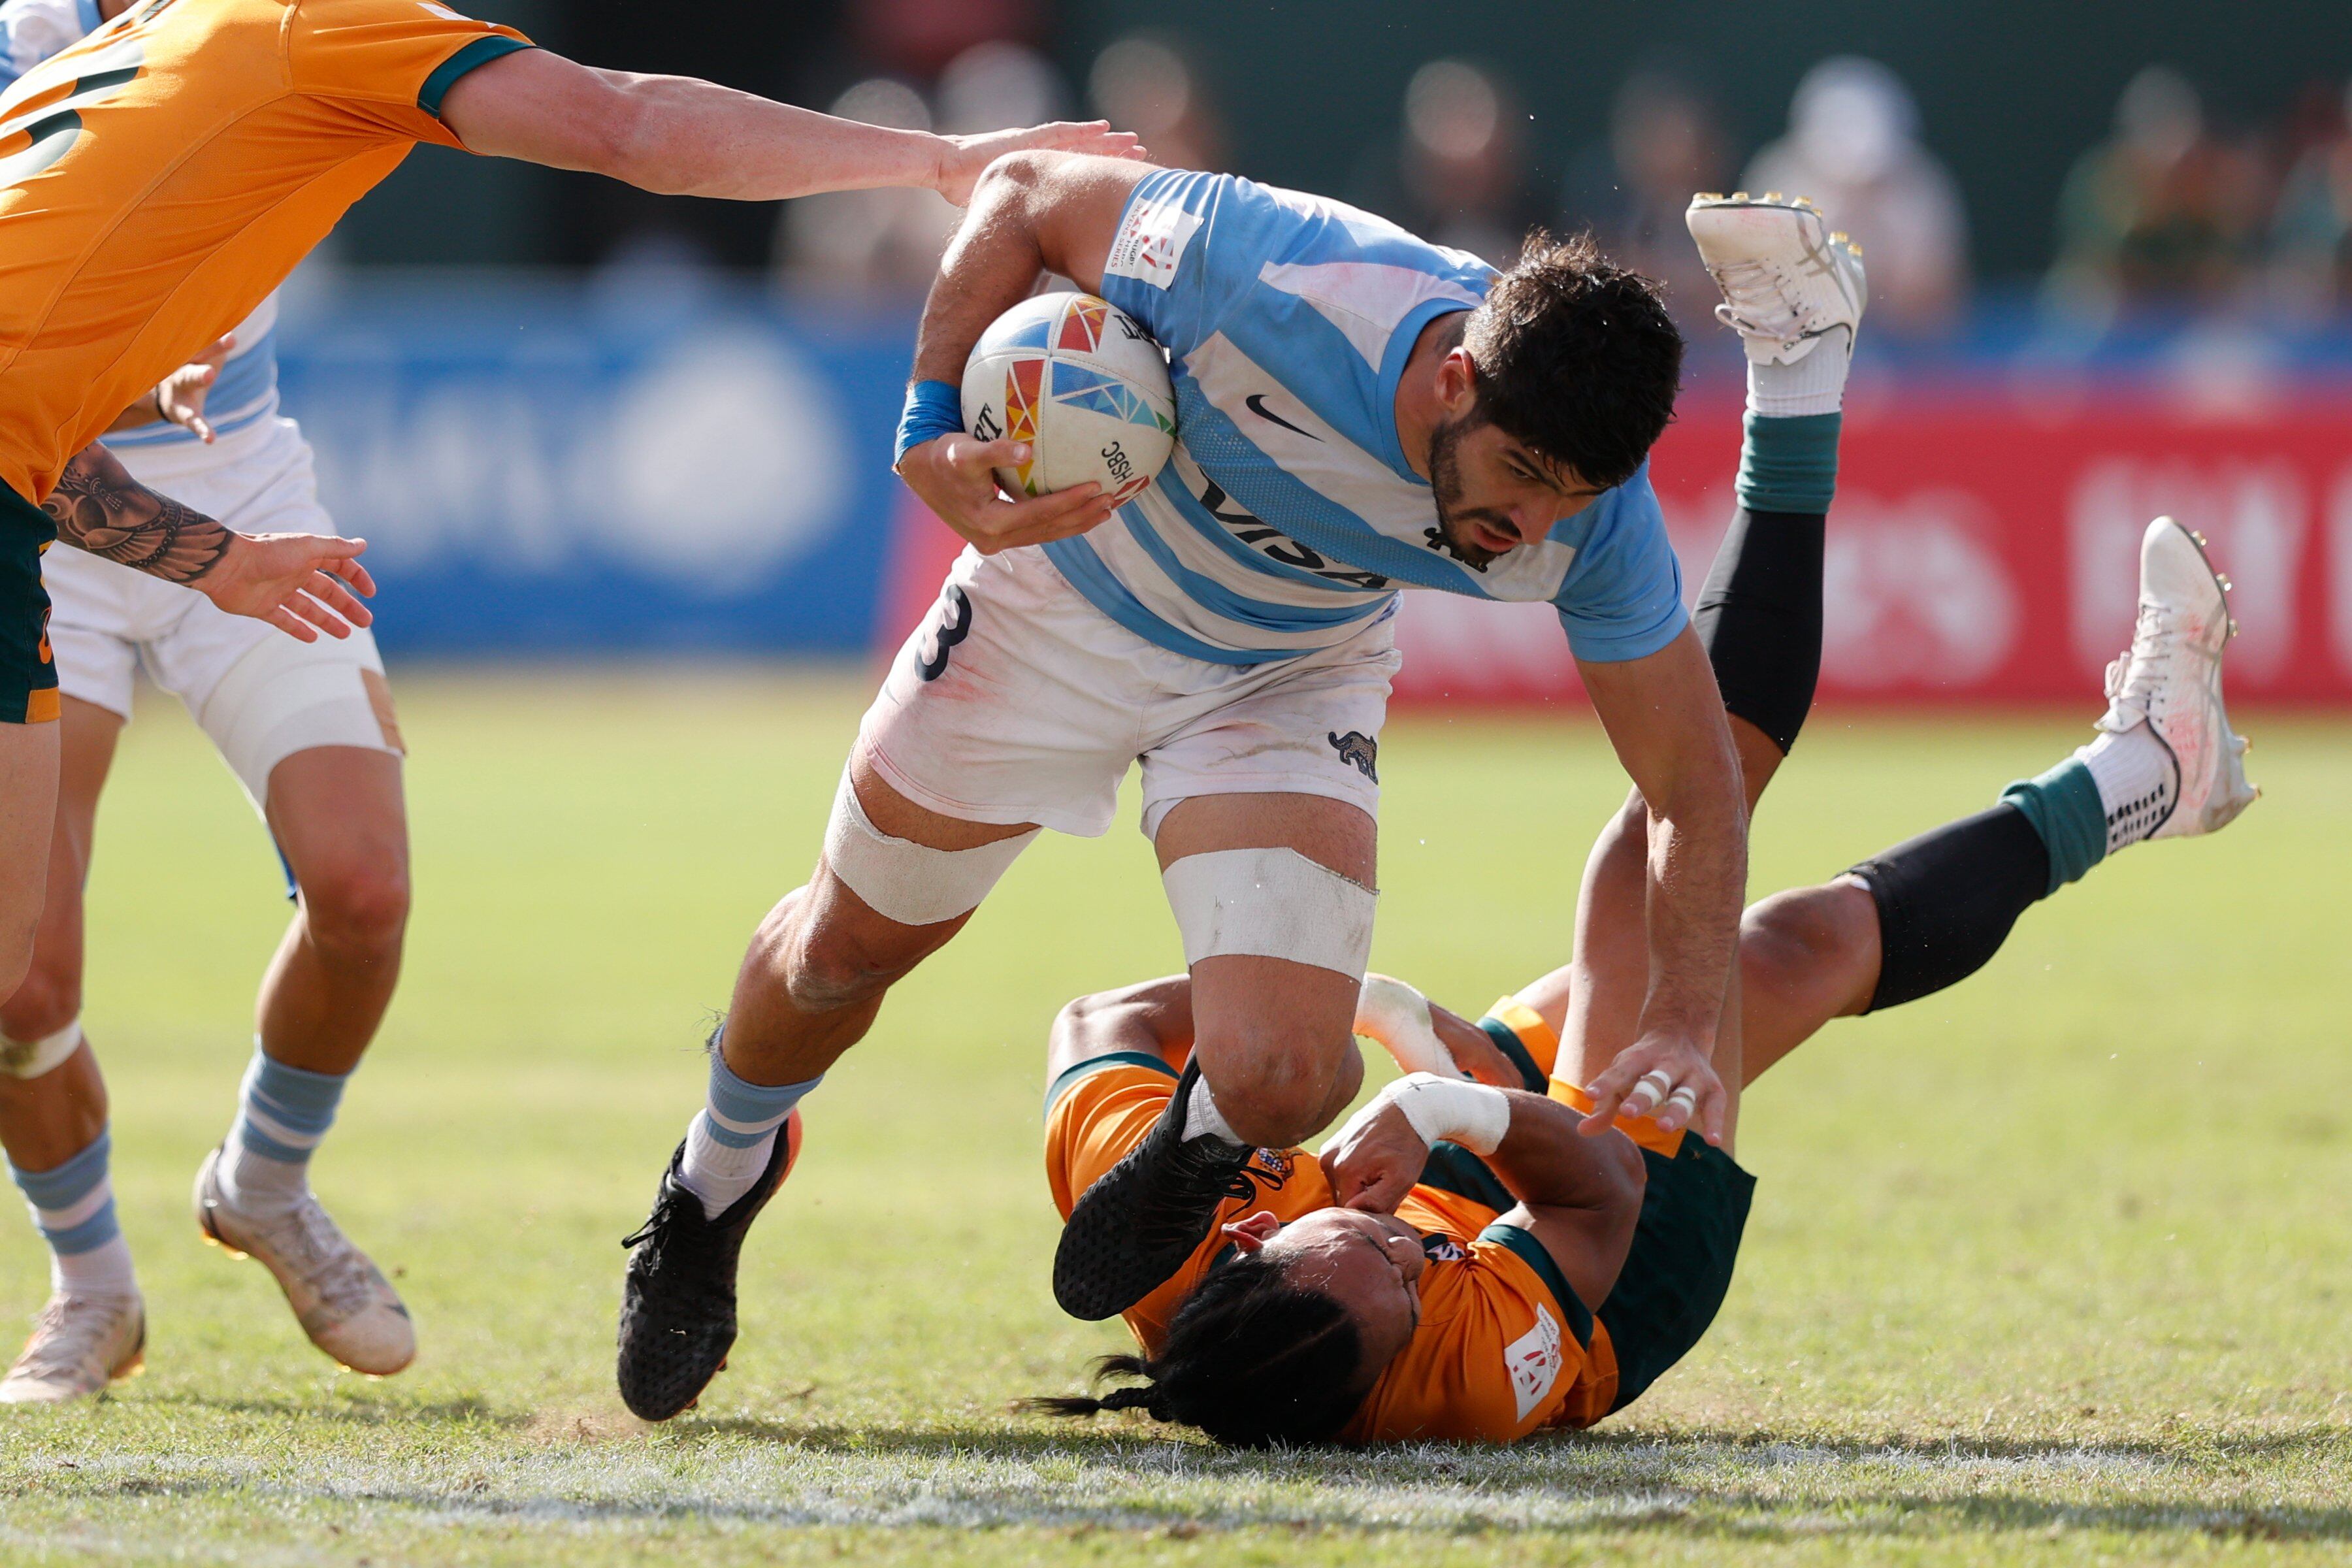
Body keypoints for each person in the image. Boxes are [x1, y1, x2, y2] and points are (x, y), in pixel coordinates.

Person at [0, 0, 1137, 1405]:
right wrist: (938, 160)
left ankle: (264, 1180)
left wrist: (203, 488)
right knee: (22, 981)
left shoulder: (226, 33)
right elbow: (629, 126)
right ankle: (91, 1287)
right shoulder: (264, 25)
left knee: (359, 892)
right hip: (46, 497)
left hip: (201, 467)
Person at [615, 161, 1865, 1420]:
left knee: (1283, 1076)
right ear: (1453, 380)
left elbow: (1693, 785)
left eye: (1569, 498)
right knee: (834, 961)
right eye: (1520, 473)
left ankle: (1200, 1147)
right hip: (1065, 602)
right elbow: (1031, 194)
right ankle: (715, 1182)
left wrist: (1678, 1017)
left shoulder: (1591, 523)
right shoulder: (1273, 275)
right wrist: (926, 422)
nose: (1530, 523)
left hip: (1286, 673)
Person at [1034, 515, 2257, 1444]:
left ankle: (2149, 770)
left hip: (1440, 1174)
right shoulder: (1459, 1362)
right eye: (1413, 1280)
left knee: (1790, 948)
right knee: (1648, 856)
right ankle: (1796, 376)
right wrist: (1435, 1107)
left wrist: (1336, 1007)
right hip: (1609, 1266)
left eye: (1380, 1248)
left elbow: (1106, 1017)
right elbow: (1599, 1193)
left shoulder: (1150, 1213)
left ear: (1247, 1234)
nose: (1414, 1253)